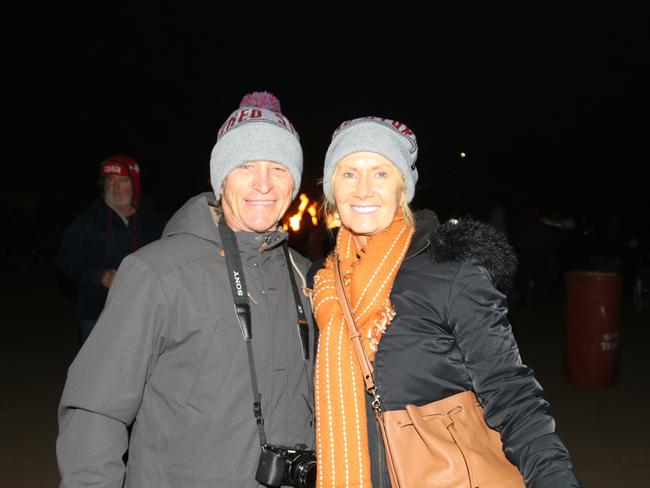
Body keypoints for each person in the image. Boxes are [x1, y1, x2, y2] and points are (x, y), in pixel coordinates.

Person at [57, 91, 316, 487]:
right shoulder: (157, 273)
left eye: (279, 168)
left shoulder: (307, 278)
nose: (263, 183)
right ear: (222, 177)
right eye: (246, 165)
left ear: (294, 183)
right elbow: (96, 411)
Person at [308, 117, 581, 487]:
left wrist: (554, 478)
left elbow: (510, 390)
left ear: (402, 188)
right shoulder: (324, 285)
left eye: (381, 174)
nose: (363, 190)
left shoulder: (450, 273)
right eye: (349, 174)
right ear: (331, 188)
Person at [56, 154, 166, 342]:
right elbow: (64, 260)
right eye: (110, 180)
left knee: (142, 370)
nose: (115, 187)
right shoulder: (86, 221)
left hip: (144, 314)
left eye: (122, 181)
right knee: (96, 371)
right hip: (97, 314)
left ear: (134, 185)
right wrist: (98, 275)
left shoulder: (153, 221)